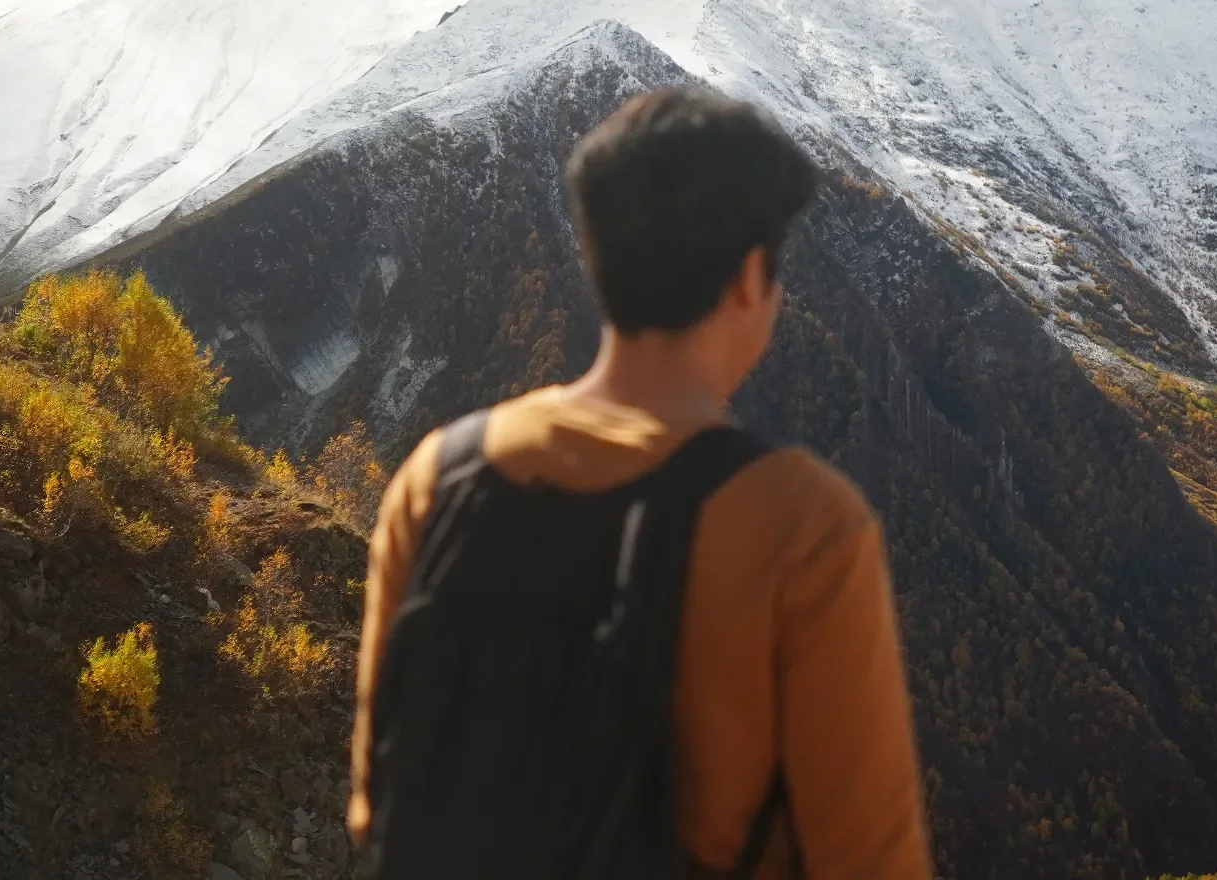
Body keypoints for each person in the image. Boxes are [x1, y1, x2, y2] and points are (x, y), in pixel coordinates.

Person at [348, 87, 931, 879]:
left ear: (593, 257)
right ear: (748, 279)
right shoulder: (802, 527)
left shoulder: (436, 479)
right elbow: (869, 862)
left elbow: (378, 801)